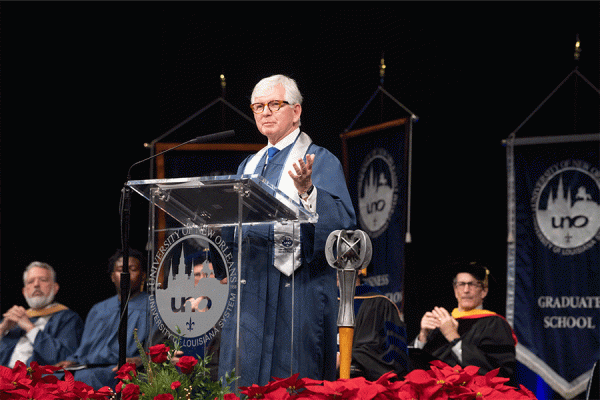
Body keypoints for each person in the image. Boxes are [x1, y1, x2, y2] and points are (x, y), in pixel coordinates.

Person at [218, 74, 356, 387]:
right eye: (258, 106)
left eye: (274, 104)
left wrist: (308, 191)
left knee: (291, 382)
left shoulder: (319, 160)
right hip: (249, 293)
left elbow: (343, 227)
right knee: (242, 382)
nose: (265, 112)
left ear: (296, 111)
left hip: (298, 291)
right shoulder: (247, 167)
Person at [55, 249, 150, 390]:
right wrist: (71, 361)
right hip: (90, 368)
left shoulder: (152, 306)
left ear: (143, 276)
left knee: (86, 378)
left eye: (133, 269)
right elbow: (85, 349)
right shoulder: (98, 309)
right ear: (112, 276)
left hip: (122, 370)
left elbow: (159, 347)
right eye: (120, 270)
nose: (126, 274)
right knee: (51, 377)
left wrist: (140, 360)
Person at [412, 261, 517, 383]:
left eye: (472, 284)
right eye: (461, 284)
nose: (466, 290)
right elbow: (415, 368)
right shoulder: (442, 322)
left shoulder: (495, 324)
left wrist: (453, 337)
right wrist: (422, 337)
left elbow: (500, 372)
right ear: (455, 291)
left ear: (484, 291)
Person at [0, 261, 83, 367]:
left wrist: (30, 328)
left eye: (43, 280)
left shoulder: (68, 319)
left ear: (55, 288)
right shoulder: (12, 320)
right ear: (24, 291)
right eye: (30, 282)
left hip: (39, 380)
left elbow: (65, 359)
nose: (36, 285)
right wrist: (2, 329)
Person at [338, 271, 409, 381]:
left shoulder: (380, 304)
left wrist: (345, 359)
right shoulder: (317, 307)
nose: (337, 267)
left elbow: (395, 361)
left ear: (361, 266)